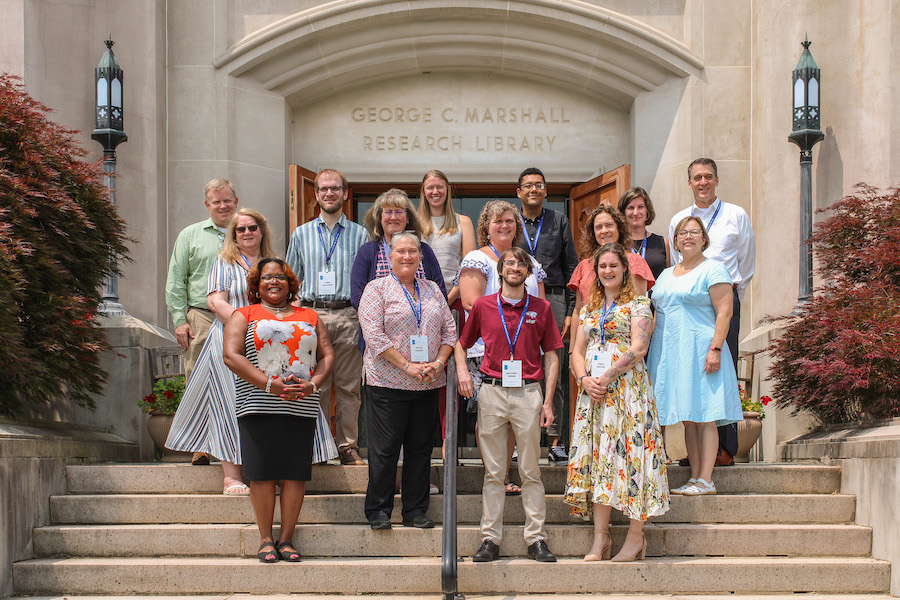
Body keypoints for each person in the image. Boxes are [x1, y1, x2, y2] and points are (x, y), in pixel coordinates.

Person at [166, 209, 338, 494]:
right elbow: (215, 301)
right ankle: (232, 475)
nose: (247, 233)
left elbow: (292, 301)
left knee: (280, 402)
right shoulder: (224, 261)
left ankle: (281, 468)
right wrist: (249, 325)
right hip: (232, 340)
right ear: (233, 234)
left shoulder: (275, 264)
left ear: (262, 231)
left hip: (277, 343)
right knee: (229, 405)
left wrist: (277, 326)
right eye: (240, 229)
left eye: (252, 228)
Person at [222, 258, 335, 563]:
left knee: (294, 474)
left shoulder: (309, 315)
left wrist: (313, 385)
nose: (274, 282)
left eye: (280, 278)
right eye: (267, 278)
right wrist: (269, 385)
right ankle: (264, 539)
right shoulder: (244, 314)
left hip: (301, 405)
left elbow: (327, 355)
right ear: (256, 285)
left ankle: (286, 539)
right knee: (261, 474)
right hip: (258, 404)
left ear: (290, 283)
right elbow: (231, 356)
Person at [456, 246, 562, 563]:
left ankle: (537, 539)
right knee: (494, 472)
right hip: (491, 391)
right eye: (510, 263)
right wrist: (463, 372)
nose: (515, 267)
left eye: (521, 264)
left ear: (528, 273)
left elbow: (553, 356)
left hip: (528, 393)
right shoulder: (484, 306)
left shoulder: (541, 309)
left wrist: (548, 401)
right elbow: (461, 345)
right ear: (500, 270)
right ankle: (490, 539)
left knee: (530, 470)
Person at [565, 242, 669, 562]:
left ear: (625, 270)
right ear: (595, 273)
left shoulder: (639, 304)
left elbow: (639, 347)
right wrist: (584, 380)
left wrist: (606, 376)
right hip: (593, 395)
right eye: (602, 266)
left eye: (613, 265)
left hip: (627, 392)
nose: (607, 271)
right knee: (599, 460)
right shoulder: (590, 310)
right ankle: (601, 539)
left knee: (633, 460)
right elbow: (576, 353)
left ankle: (636, 537)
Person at [358, 232, 457, 530]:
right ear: (390, 256)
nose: (407, 256)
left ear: (421, 256)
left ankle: (414, 510)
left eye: (413, 251)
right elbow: (373, 335)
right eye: (401, 251)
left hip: (427, 383)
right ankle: (379, 509)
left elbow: (449, 332)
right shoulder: (377, 290)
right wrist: (407, 366)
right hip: (386, 382)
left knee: (419, 449)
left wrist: (439, 362)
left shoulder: (432, 290)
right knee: (385, 450)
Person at [667, 158, 756, 464]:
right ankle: (696, 451)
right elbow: (675, 262)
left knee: (722, 369)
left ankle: (726, 448)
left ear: (716, 180)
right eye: (697, 177)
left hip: (722, 302)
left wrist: (731, 297)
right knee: (691, 374)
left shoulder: (736, 214)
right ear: (689, 182)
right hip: (690, 305)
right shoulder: (679, 219)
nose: (703, 182)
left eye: (708, 177)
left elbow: (746, 262)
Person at [456, 200, 546, 496]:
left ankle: (506, 472)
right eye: (498, 221)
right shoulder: (477, 258)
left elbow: (541, 306)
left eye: (509, 220)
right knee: (492, 419)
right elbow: (471, 302)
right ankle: (496, 475)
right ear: (486, 227)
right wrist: (504, 324)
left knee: (515, 419)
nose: (504, 225)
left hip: (525, 355)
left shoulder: (528, 262)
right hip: (488, 349)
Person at [648, 217, 743, 496]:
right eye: (682, 233)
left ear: (704, 239)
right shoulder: (665, 274)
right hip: (672, 352)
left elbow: (725, 312)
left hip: (702, 350)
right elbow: (657, 314)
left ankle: (706, 479)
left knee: (706, 416)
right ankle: (694, 478)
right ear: (675, 241)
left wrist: (715, 349)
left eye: (694, 232)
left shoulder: (714, 269)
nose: (687, 237)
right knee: (689, 418)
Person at [285, 169, 369, 466]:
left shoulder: (361, 234)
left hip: (348, 315)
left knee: (348, 387)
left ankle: (347, 447)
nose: (329, 193)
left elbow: (366, 281)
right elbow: (290, 280)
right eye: (323, 189)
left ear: (346, 194)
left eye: (335, 189)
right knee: (314, 385)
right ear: (317, 195)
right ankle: (318, 447)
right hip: (311, 314)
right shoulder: (301, 234)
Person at [165, 178, 238, 464]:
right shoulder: (190, 235)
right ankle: (202, 444)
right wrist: (179, 319)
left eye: (227, 199)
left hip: (240, 317)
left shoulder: (245, 232)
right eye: (216, 201)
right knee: (198, 377)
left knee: (237, 379)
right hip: (201, 316)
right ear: (207, 205)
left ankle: (233, 439)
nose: (223, 205)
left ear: (235, 201)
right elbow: (176, 279)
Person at [515, 167, 578, 464]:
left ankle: (555, 441)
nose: (533, 190)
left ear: (545, 190)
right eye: (527, 186)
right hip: (517, 298)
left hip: (552, 299)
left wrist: (569, 309)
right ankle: (519, 442)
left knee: (555, 369)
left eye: (538, 185)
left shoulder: (559, 220)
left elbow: (571, 267)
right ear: (519, 192)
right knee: (520, 369)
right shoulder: (511, 222)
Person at [416, 169, 476, 461]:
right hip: (421, 306)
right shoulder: (415, 222)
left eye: (440, 186)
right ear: (424, 191)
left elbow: (470, 265)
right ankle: (423, 445)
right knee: (426, 371)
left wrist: (447, 296)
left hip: (453, 303)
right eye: (430, 187)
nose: (435, 192)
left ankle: (448, 444)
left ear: (447, 189)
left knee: (453, 375)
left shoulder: (463, 222)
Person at [351, 188, 447, 346]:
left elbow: (439, 293)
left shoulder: (424, 251)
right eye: (388, 212)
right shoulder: (367, 252)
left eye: (399, 212)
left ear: (408, 217)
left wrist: (417, 318)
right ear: (379, 217)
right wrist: (389, 320)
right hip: (380, 338)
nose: (393, 217)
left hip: (423, 336)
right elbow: (357, 297)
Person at [618, 187, 669, 280]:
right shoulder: (618, 244)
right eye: (630, 208)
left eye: (641, 207)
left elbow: (670, 276)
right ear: (623, 213)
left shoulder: (663, 243)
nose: (636, 212)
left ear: (647, 210)